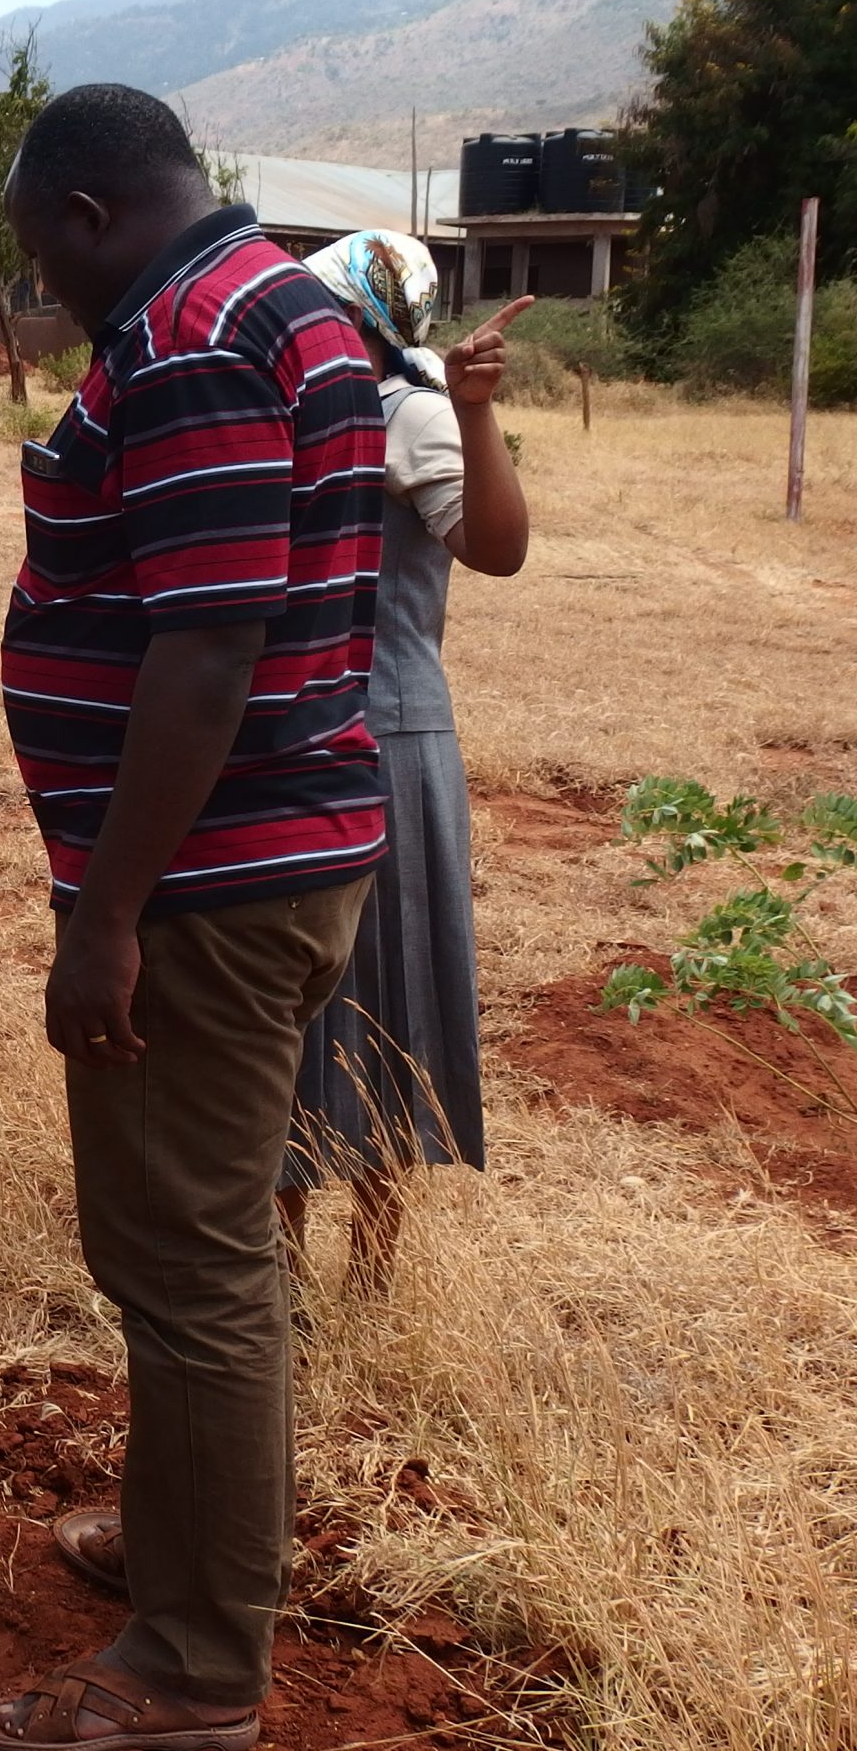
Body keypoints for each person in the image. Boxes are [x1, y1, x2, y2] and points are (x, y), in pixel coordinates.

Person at [0, 85, 388, 1751]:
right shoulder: (285, 302)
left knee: (191, 1266)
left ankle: (198, 1668)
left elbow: (205, 650)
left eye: (33, 256)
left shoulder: (195, 341)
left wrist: (108, 918)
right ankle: (176, 1543)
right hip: (274, 860)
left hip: (210, 889)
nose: (38, 289)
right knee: (187, 1253)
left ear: (87, 212)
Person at [284, 237, 533, 1291]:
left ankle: (371, 1277)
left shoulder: (415, 414)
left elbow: (497, 548)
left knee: (385, 1001)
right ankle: (280, 1276)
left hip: (386, 741)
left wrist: (473, 411)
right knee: (285, 1004)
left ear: (366, 320)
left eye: (321, 305)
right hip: (294, 740)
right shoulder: (296, 412)